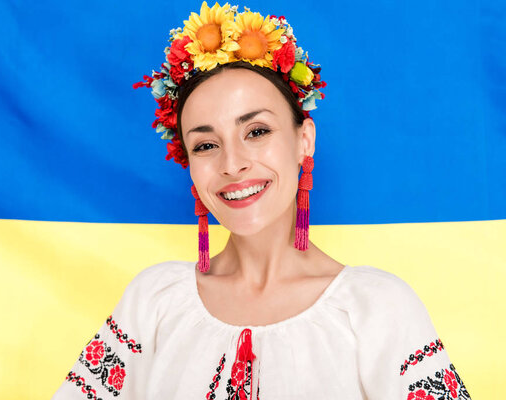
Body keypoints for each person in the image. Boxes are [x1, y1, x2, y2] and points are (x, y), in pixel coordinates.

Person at [52, 2, 471, 399]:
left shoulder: (377, 309)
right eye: (205, 145)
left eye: (256, 132)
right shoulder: (154, 301)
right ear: (189, 164)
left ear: (303, 140)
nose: (232, 164)